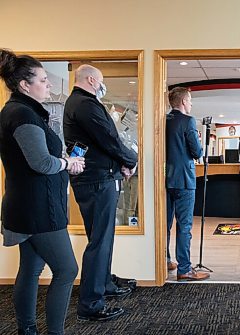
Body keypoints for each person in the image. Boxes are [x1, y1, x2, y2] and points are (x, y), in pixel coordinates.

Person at [0, 49, 85, 335]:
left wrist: (63, 162)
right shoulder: (23, 114)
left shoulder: (19, 111)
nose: (49, 85)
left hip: (27, 206)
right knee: (67, 271)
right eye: (44, 80)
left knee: (31, 269)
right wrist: (67, 162)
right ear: (25, 85)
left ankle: (28, 329)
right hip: (38, 209)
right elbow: (41, 162)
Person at [63, 64, 138, 321]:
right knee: (99, 241)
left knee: (103, 238)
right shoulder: (84, 104)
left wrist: (120, 164)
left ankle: (104, 284)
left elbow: (100, 144)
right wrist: (131, 159)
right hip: (97, 181)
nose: (102, 86)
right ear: (92, 80)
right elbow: (109, 139)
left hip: (100, 178)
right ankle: (91, 304)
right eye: (101, 81)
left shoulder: (82, 103)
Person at [166, 86, 209, 281]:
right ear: (183, 102)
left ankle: (165, 261)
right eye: (190, 100)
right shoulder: (188, 121)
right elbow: (197, 152)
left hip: (165, 179)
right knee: (184, 226)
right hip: (184, 179)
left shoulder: (163, 121)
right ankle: (184, 269)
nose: (191, 103)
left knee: (164, 224)